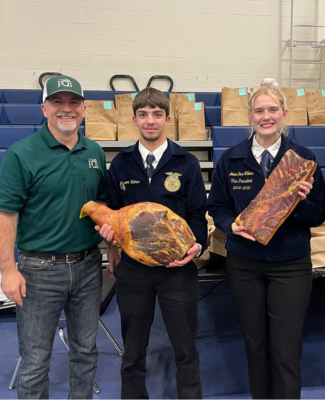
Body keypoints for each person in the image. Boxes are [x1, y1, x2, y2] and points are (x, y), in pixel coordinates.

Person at [207, 78, 325, 399]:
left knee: (286, 351)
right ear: (250, 116)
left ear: (284, 113)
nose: (266, 116)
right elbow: (217, 206)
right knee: (255, 347)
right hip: (245, 265)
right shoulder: (230, 159)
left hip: (291, 266)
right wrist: (231, 225)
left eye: (273, 109)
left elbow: (318, 215)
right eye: (259, 110)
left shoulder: (303, 159)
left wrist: (300, 203)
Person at [0, 75, 107, 399]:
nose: (66, 109)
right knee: (35, 362)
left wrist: (113, 250)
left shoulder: (95, 151)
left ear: (84, 109)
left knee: (86, 352)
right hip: (38, 270)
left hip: (88, 266)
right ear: (44, 108)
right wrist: (7, 269)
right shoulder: (22, 154)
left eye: (73, 102)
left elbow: (101, 207)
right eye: (57, 102)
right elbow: (6, 214)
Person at [97, 87, 207, 399]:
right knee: (132, 350)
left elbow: (198, 214)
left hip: (177, 270)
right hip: (134, 272)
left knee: (185, 347)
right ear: (134, 119)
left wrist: (196, 246)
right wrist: (112, 245)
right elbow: (113, 215)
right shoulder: (122, 163)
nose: (150, 120)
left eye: (157, 114)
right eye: (143, 114)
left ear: (168, 119)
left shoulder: (185, 163)